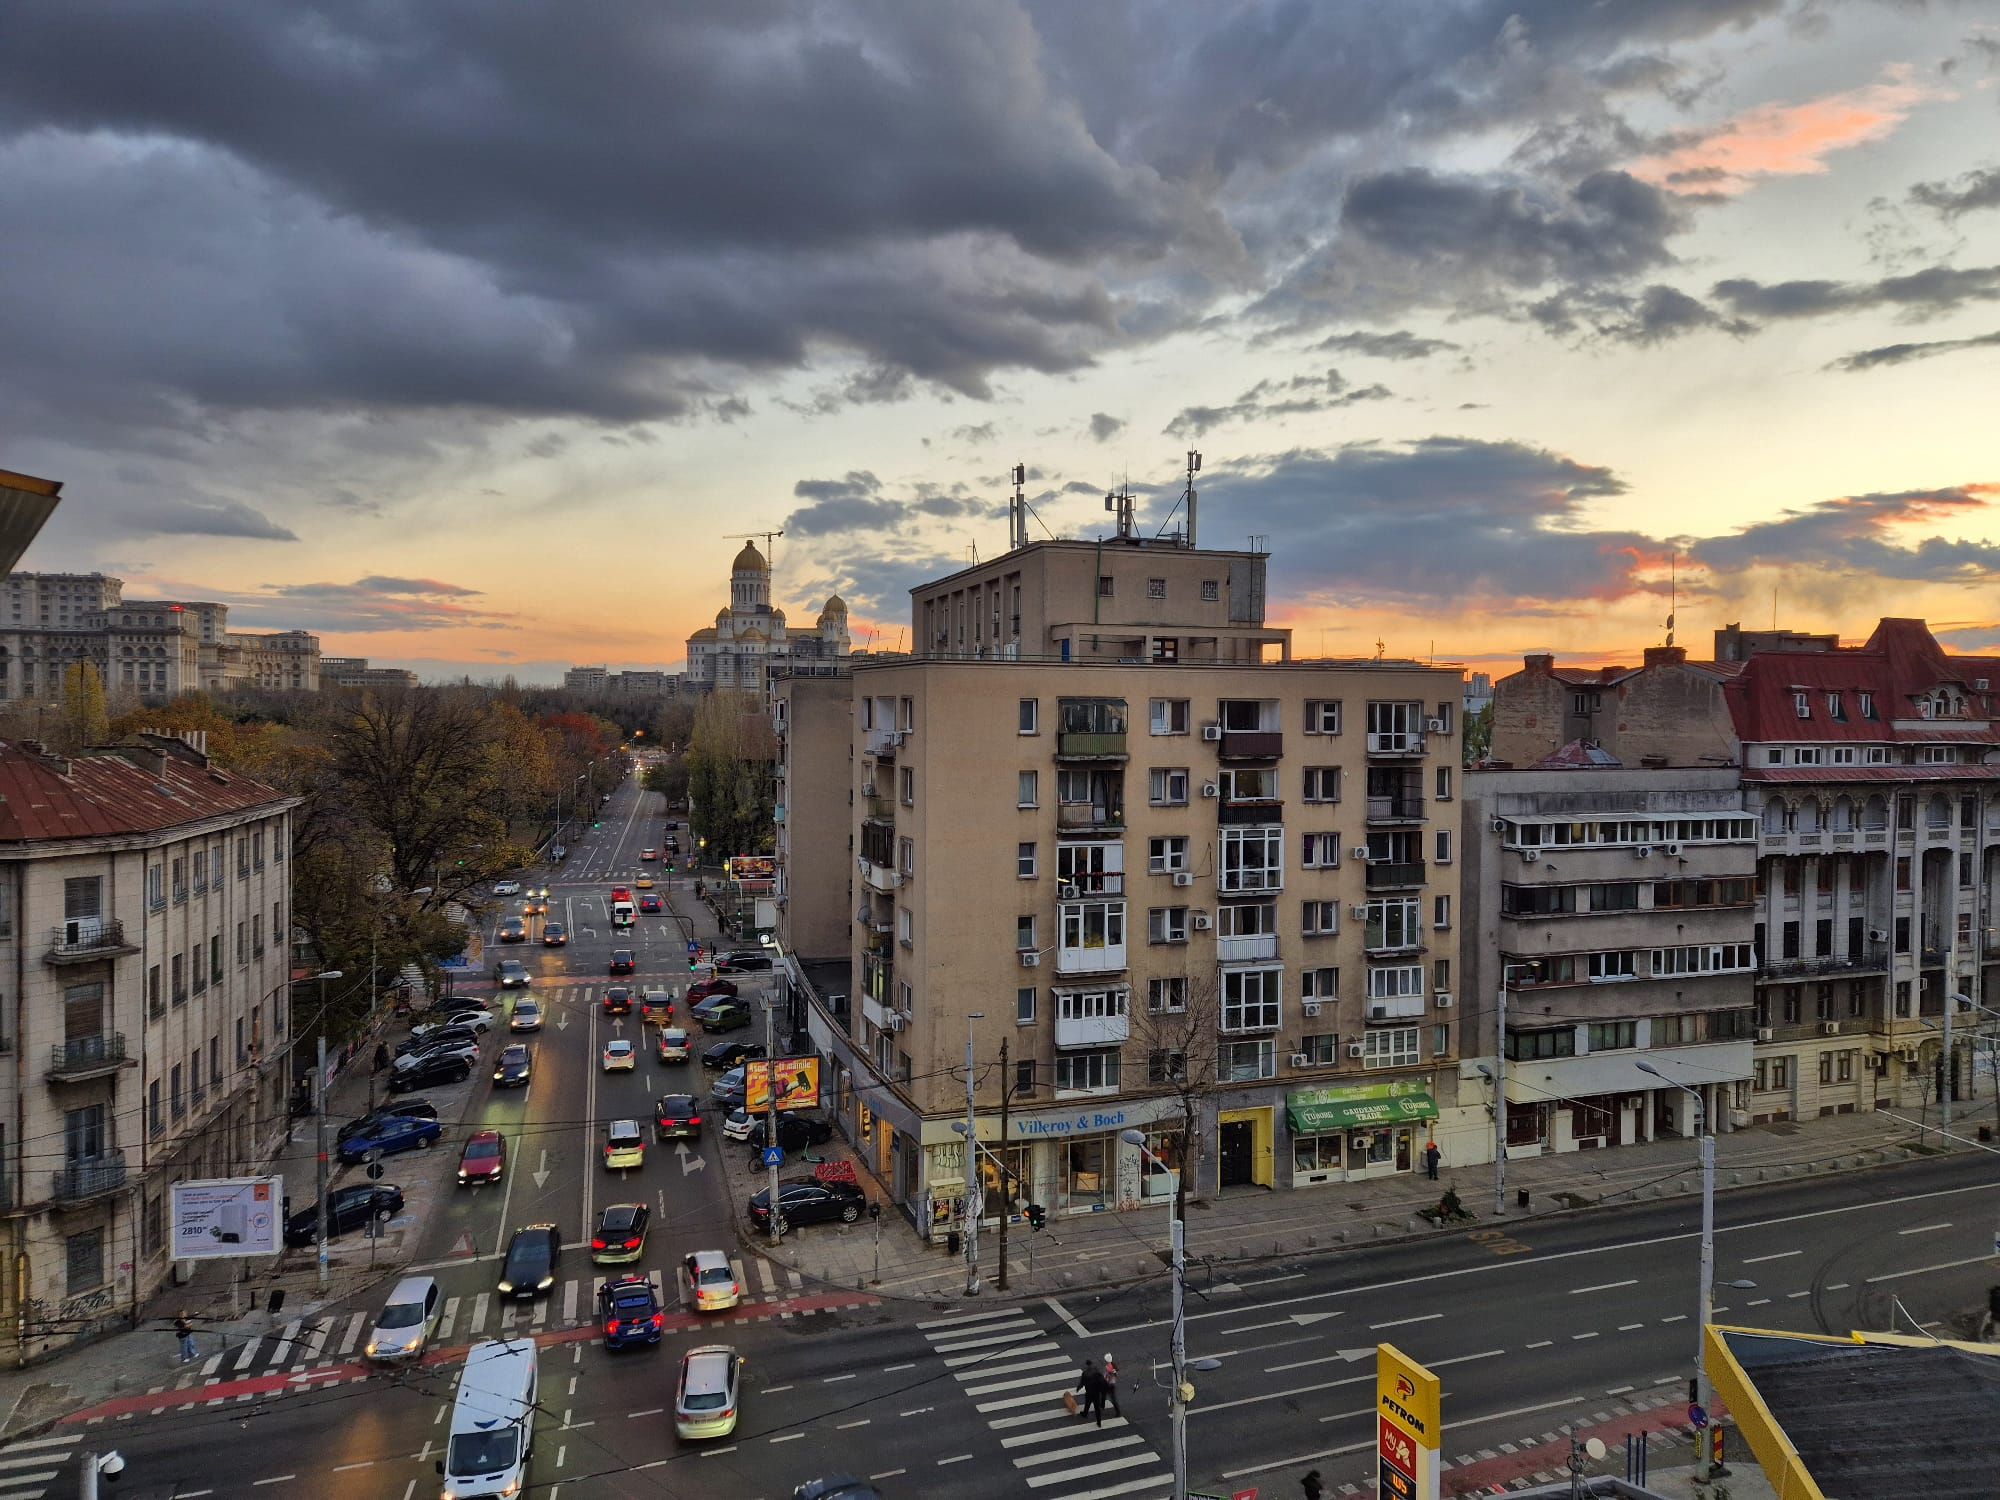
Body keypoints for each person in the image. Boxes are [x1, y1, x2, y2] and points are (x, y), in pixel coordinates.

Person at [1074, 1358, 1110, 1427]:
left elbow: (1082, 1383)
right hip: (1096, 1393)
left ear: (1087, 1365)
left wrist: (1078, 1388)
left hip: (1089, 1392)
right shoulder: (1096, 1371)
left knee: (1087, 1403)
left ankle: (1085, 1413)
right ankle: (1099, 1422)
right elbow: (1102, 1380)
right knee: (1097, 1408)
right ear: (1091, 1364)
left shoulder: (1085, 1373)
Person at [1101, 1352, 1122, 1416]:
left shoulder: (1108, 1367)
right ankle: (1117, 1411)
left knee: (1105, 1395)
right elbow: (1115, 1374)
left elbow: (1106, 1376)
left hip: (1108, 1384)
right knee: (1111, 1397)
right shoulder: (1113, 1365)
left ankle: (1102, 1406)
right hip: (1112, 1384)